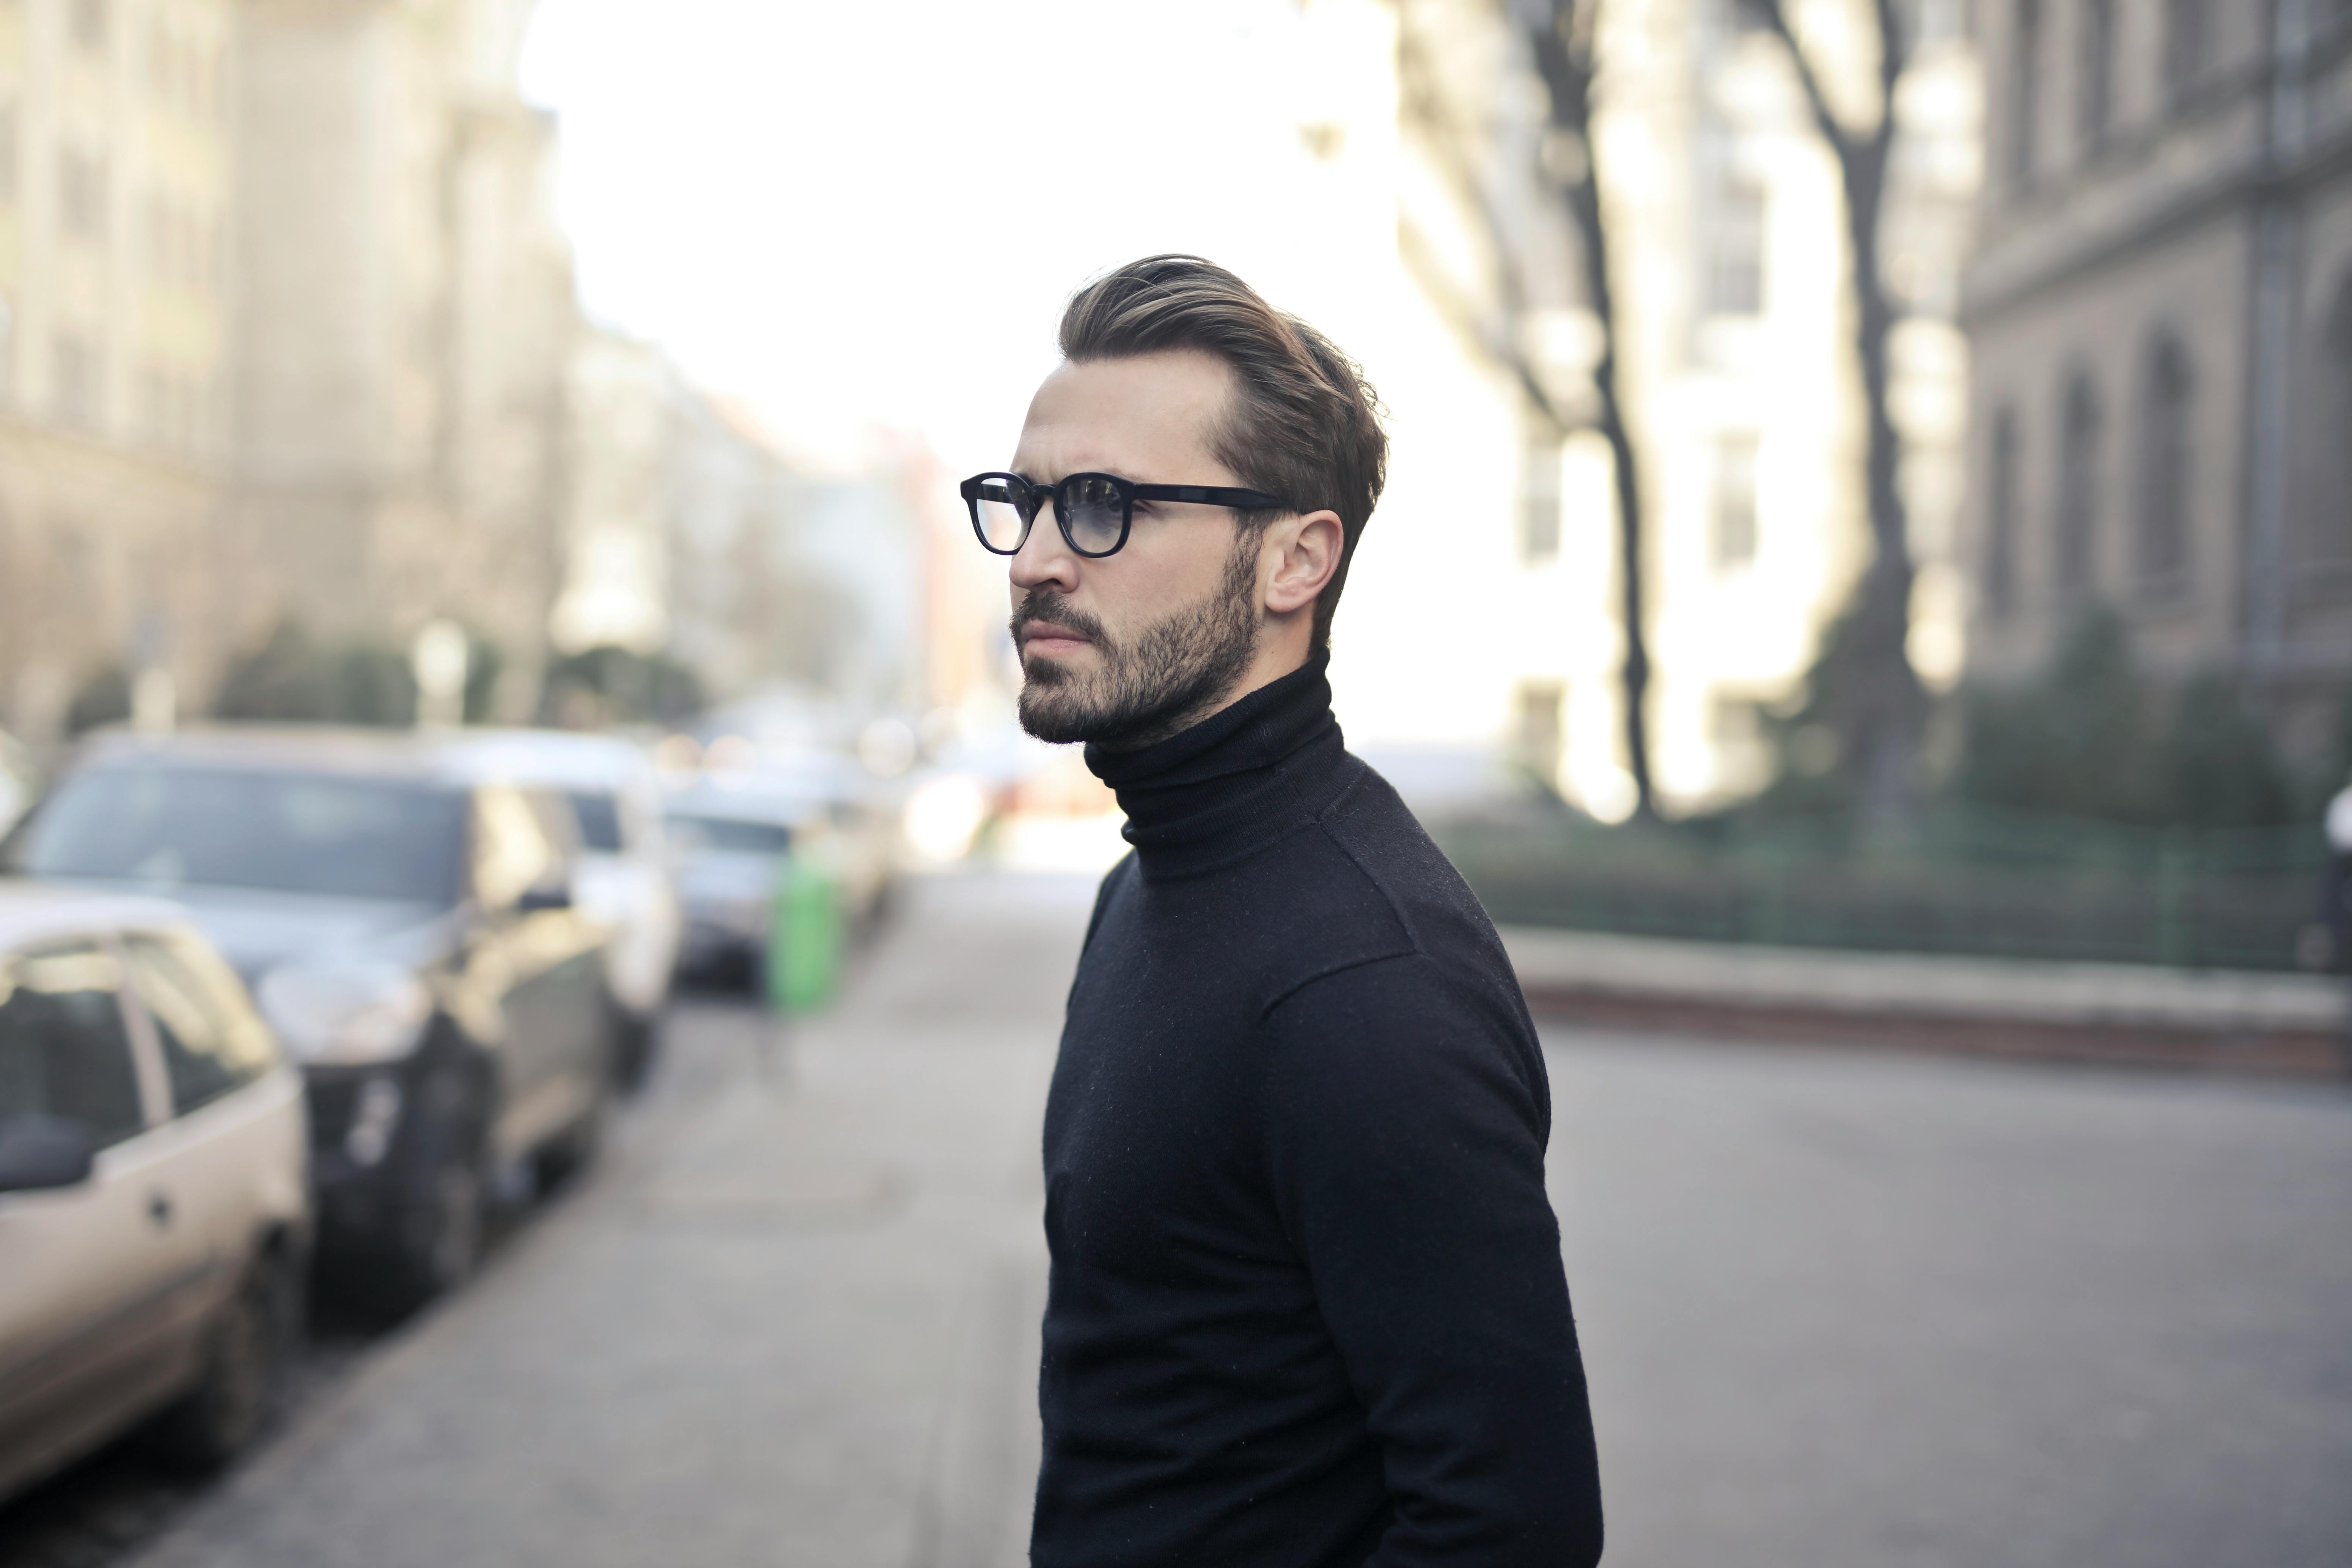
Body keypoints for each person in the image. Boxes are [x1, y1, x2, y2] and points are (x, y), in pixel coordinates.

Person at [967, 255, 1602, 1568]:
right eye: (1022, 504)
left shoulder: (1368, 983)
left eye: (1100, 508)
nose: (1033, 560)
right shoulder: (1142, 887)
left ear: (1294, 561)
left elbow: (1512, 1531)